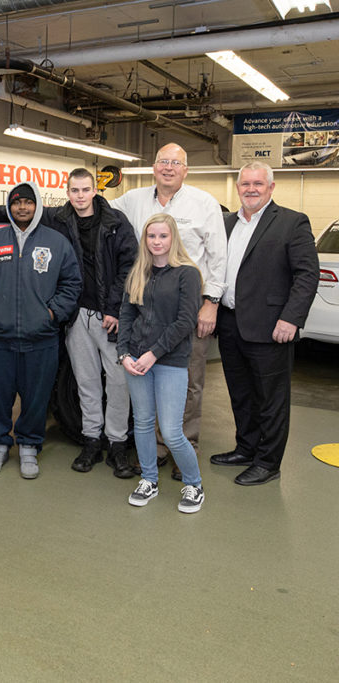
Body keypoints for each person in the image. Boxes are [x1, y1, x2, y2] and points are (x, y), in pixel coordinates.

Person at [0, 169, 138, 476]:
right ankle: (92, 440)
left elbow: (129, 265)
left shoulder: (116, 222)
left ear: (95, 190)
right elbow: (21, 205)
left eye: (85, 190)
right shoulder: (60, 218)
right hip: (77, 315)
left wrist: (114, 307)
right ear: (67, 193)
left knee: (118, 382)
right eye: (74, 190)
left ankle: (117, 444)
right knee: (86, 382)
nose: (80, 196)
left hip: (110, 315)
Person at [111, 143, 226, 480]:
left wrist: (212, 302)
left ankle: (183, 446)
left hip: (187, 310)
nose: (169, 168)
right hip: (146, 307)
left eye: (176, 162)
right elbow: (95, 207)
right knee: (148, 382)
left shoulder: (203, 203)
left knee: (187, 381)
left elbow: (218, 256)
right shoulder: (133, 199)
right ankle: (157, 449)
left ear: (186, 170)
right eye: (163, 161)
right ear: (154, 166)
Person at [210, 162, 318, 485]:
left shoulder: (291, 223)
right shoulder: (226, 223)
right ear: (238, 187)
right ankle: (246, 447)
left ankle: (268, 462)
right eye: (245, 184)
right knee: (241, 394)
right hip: (230, 324)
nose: (251, 189)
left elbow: (307, 275)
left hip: (272, 327)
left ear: (271, 188)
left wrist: (291, 317)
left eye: (258, 183)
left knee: (271, 399)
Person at [0, 181, 81, 478]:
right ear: (9, 206)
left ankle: (29, 446)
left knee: (36, 396)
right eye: (17, 202)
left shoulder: (56, 242)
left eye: (28, 203)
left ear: (38, 206)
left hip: (41, 337)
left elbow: (72, 283)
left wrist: (52, 314)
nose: (22, 207)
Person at [118, 214, 204, 512]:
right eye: (151, 236)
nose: (157, 242)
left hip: (169, 361)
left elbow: (185, 321)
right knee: (142, 424)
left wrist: (153, 353)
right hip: (136, 361)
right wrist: (123, 354)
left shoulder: (187, 274)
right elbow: (127, 315)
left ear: (173, 238)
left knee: (170, 431)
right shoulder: (138, 272)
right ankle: (149, 480)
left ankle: (194, 484)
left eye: (163, 236)